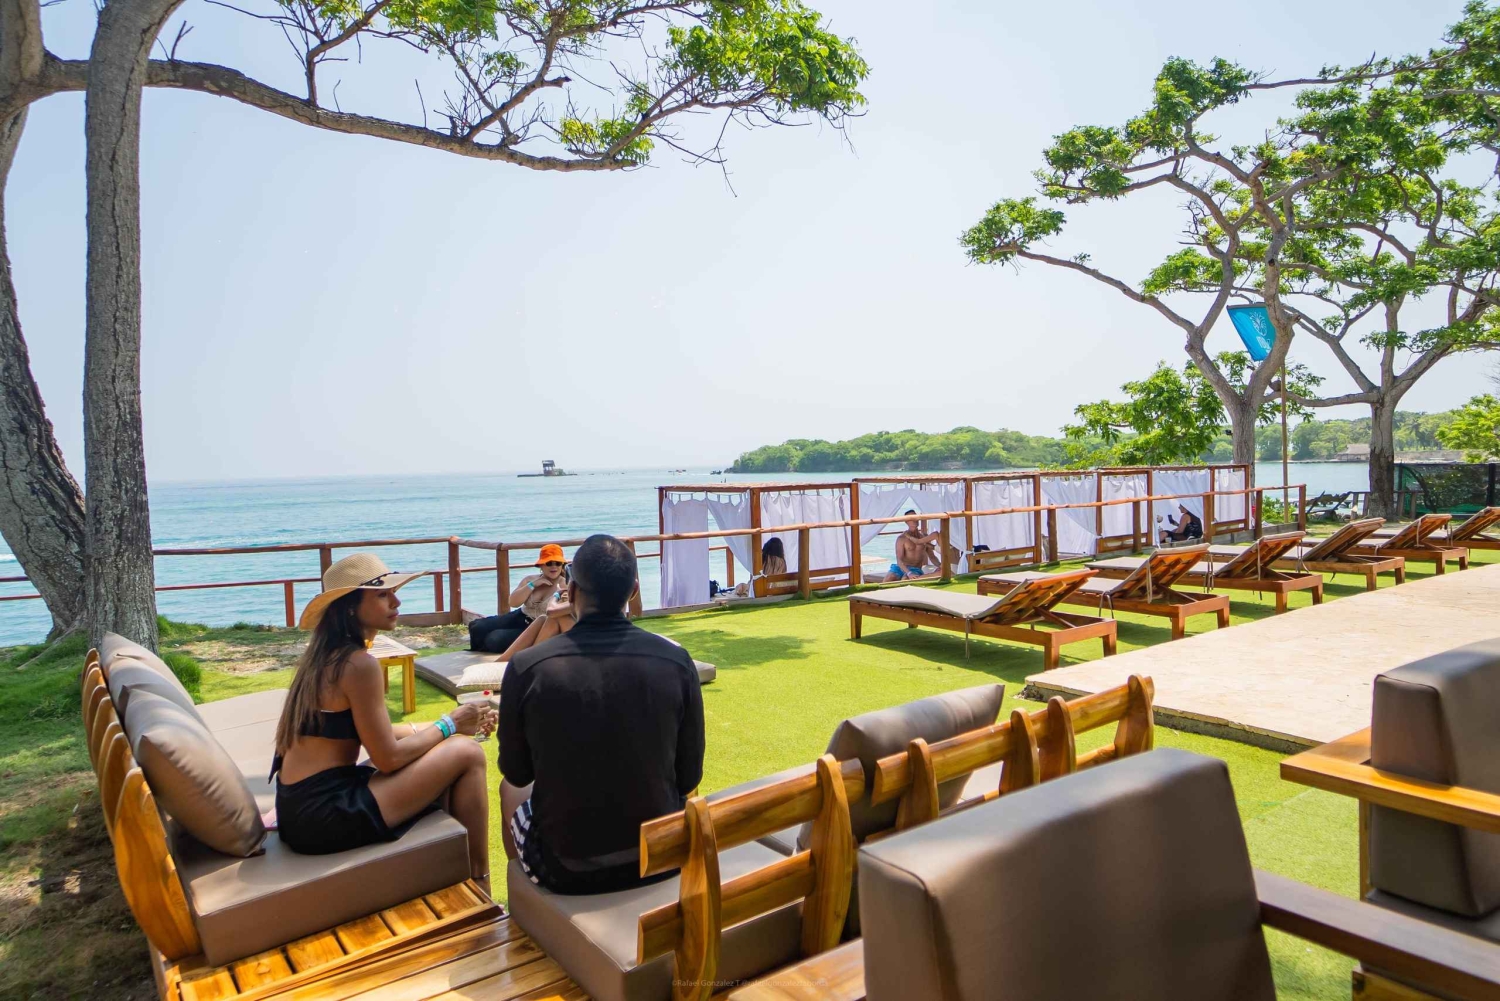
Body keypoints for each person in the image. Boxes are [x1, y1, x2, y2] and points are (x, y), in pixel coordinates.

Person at [273, 553, 498, 893]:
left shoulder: (325, 656)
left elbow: (373, 733)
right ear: (350, 607)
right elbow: (388, 758)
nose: (396, 601)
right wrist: (450, 725)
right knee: (467, 754)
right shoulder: (357, 665)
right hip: (324, 815)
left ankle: (455, 879)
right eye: (382, 594)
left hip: (300, 809)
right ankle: (480, 883)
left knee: (446, 749)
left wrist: (449, 724)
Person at [498, 534, 704, 894]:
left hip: (563, 868)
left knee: (508, 790)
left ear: (572, 591)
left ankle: (526, 905)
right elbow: (688, 779)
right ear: (634, 590)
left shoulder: (528, 668)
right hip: (661, 856)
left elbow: (517, 773)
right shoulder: (676, 662)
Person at [468, 544, 569, 653]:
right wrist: (532, 585)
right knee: (477, 626)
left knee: (494, 639)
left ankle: (519, 648)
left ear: (562, 565)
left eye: (558, 563)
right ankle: (480, 650)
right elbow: (513, 602)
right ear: (541, 565)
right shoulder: (530, 580)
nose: (554, 567)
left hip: (539, 626)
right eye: (549, 563)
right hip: (521, 616)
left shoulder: (566, 586)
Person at [883, 511, 940, 581]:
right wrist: (909, 573)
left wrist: (940, 566)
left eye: (915, 517)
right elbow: (899, 559)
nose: (914, 520)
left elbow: (932, 556)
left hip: (915, 568)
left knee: (905, 579)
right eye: (911, 518)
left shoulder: (924, 537)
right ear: (906, 521)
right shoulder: (902, 538)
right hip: (901, 567)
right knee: (888, 578)